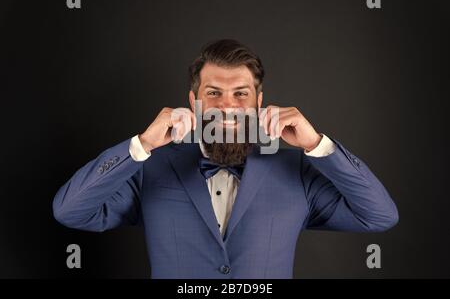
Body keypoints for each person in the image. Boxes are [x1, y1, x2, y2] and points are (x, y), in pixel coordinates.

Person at [53, 39, 398, 278]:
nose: (228, 106)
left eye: (241, 94)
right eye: (214, 93)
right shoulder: (151, 168)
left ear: (259, 102)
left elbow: (379, 216)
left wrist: (318, 144)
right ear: (194, 100)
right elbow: (71, 211)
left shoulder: (297, 172)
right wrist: (141, 144)